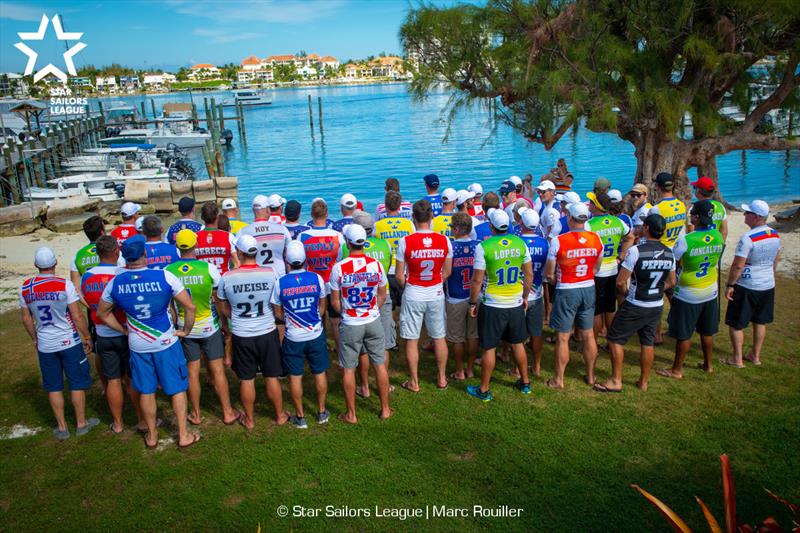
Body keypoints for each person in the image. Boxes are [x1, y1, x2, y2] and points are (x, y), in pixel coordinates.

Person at [96, 235, 200, 449]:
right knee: (178, 388)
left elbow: (102, 313)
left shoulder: (116, 281)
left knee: (146, 390)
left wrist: (123, 329)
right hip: (165, 341)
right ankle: (183, 434)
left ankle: (152, 436)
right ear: (145, 255)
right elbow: (190, 307)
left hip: (137, 343)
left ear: (124, 258)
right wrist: (185, 330)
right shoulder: (165, 276)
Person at [20, 246, 98, 440]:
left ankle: (62, 427)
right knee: (76, 383)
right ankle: (81, 423)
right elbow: (77, 315)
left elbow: (27, 319)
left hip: (45, 343)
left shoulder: (26, 287)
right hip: (68, 341)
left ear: (36, 265)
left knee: (54, 386)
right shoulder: (64, 285)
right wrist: (87, 336)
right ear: (55, 263)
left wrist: (34, 338)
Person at [593, 214, 676, 392]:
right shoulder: (669, 252)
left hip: (636, 302)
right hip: (655, 304)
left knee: (614, 338)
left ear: (646, 228)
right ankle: (643, 382)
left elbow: (621, 282)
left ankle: (616, 380)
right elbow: (672, 282)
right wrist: (658, 291)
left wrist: (627, 294)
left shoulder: (637, 251)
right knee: (647, 342)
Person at [167, 230, 239, 426]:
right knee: (217, 370)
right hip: (209, 325)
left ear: (177, 247)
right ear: (195, 246)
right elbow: (216, 300)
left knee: (192, 371)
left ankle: (196, 414)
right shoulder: (208, 269)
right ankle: (227, 412)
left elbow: (171, 305)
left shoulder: (169, 271)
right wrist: (225, 323)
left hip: (185, 328)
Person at [216, 234, 288, 428]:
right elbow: (276, 303)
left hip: (242, 332)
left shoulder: (227, 278)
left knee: (246, 379)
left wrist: (235, 317)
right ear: (255, 251)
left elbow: (224, 308)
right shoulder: (270, 273)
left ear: (239, 252)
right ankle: (280, 415)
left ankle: (249, 419)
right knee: (271, 376)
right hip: (266, 330)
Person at [465, 209, 533, 401]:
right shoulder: (520, 244)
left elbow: (477, 280)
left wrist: (472, 302)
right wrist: (525, 296)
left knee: (489, 348)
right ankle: (525, 382)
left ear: (491, 226)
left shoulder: (484, 246)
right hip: (515, 301)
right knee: (517, 343)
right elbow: (528, 275)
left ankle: (484, 389)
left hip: (493, 303)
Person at [81, 236, 145, 433]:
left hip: (102, 333)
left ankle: (117, 423)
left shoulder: (87, 275)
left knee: (113, 379)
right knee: (132, 377)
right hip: (125, 330)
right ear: (117, 252)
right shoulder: (122, 274)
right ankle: (142, 419)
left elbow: (87, 300)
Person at [329, 224, 392, 423]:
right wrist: (372, 309)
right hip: (372, 319)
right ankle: (385, 409)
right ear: (364, 242)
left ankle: (352, 414)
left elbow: (335, 301)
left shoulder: (339, 268)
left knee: (348, 368)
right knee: (379, 364)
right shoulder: (376, 265)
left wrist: (348, 312)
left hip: (351, 322)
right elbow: (382, 294)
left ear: (347, 243)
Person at [657, 200, 725, 379]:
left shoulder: (686, 240)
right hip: (710, 289)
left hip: (689, 292)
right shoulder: (718, 236)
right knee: (707, 331)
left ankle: (676, 369)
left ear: (696, 217)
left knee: (684, 334)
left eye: (692, 214)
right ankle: (708, 365)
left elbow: (675, 263)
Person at [270, 241, 330, 428]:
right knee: (319, 372)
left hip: (293, 336)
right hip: (314, 332)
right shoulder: (316, 278)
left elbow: (277, 312)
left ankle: (300, 416)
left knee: (295, 376)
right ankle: (321, 412)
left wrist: (291, 320)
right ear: (305, 260)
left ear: (287, 261)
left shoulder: (280, 282)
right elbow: (322, 307)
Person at [544, 203, 603, 389]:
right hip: (588, 287)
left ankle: (558, 379)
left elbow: (549, 273)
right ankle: (591, 375)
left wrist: (559, 282)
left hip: (567, 288)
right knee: (588, 335)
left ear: (570, 218)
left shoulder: (560, 240)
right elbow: (596, 267)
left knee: (563, 337)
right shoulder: (596, 238)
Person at [396, 199, 453, 392]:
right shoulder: (444, 240)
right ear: (431, 216)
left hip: (414, 292)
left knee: (412, 339)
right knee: (439, 336)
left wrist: (409, 284)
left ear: (413, 217)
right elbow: (447, 271)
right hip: (436, 292)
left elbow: (398, 275)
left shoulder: (405, 241)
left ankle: (414, 381)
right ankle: (442, 378)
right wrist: (436, 282)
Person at [722, 200, 781, 367]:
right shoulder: (774, 234)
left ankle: (737, 358)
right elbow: (776, 258)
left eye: (747, 213)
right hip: (767, 283)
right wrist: (770, 274)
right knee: (760, 321)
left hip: (748, 284)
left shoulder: (748, 238)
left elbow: (738, 264)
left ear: (755, 217)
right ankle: (755, 355)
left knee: (736, 323)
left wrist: (731, 284)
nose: (744, 215)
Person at [352, 210, 396, 398]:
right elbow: (386, 270)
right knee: (384, 343)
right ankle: (383, 385)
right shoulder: (385, 244)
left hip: (360, 299)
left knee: (362, 346)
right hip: (381, 296)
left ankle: (364, 386)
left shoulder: (347, 249)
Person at [299, 199, 346, 351]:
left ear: (311, 215)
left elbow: (302, 262)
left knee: (318, 317)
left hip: (312, 282)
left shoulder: (303, 236)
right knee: (336, 320)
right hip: (332, 283)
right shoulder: (337, 236)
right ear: (327, 214)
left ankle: (320, 347)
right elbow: (340, 260)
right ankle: (340, 350)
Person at [585, 191, 633, 339]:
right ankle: (611, 340)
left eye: (592, 203)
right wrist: (621, 256)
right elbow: (630, 237)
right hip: (613, 268)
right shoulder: (617, 221)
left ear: (597, 207)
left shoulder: (589, 225)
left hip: (597, 271)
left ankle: (593, 342)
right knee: (610, 307)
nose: (589, 205)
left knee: (597, 310)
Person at [444, 212, 479, 380]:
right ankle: (470, 369)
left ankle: (459, 370)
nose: (450, 229)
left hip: (455, 297)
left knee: (457, 337)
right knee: (473, 334)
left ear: (457, 228)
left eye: (451, 226)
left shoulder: (450, 247)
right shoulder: (478, 245)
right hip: (474, 295)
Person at [518, 209, 549, 377]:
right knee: (536, 332)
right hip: (536, 292)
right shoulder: (545, 243)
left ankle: (517, 369)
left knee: (519, 334)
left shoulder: (517, 242)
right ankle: (536, 366)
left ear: (522, 223)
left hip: (520, 294)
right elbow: (545, 269)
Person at [374, 190, 415, 307]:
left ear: (385, 206)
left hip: (386, 270)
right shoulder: (409, 224)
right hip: (404, 270)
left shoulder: (377, 226)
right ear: (400, 206)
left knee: (389, 307)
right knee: (404, 306)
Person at [240, 194, 291, 276]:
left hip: (256, 276)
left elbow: (239, 257)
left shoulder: (243, 232)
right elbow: (289, 253)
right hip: (279, 275)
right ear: (268, 210)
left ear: (253, 210)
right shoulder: (282, 229)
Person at [195, 201, 239, 274]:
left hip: (204, 282)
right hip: (223, 280)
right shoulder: (228, 236)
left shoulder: (195, 237)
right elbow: (237, 263)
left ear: (202, 217)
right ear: (217, 216)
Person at [70, 215, 108, 286]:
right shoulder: (111, 250)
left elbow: (75, 286)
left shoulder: (78, 255)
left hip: (88, 293)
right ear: (102, 233)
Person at [652, 172, 687, 248]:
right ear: (673, 185)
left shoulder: (656, 209)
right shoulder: (682, 205)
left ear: (657, 186)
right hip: (679, 248)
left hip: (663, 249)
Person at [689, 176, 728, 241]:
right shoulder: (720, 206)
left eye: (694, 188)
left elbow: (691, 232)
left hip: (699, 244)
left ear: (698, 190)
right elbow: (724, 231)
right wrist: (721, 246)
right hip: (715, 243)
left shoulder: (694, 208)